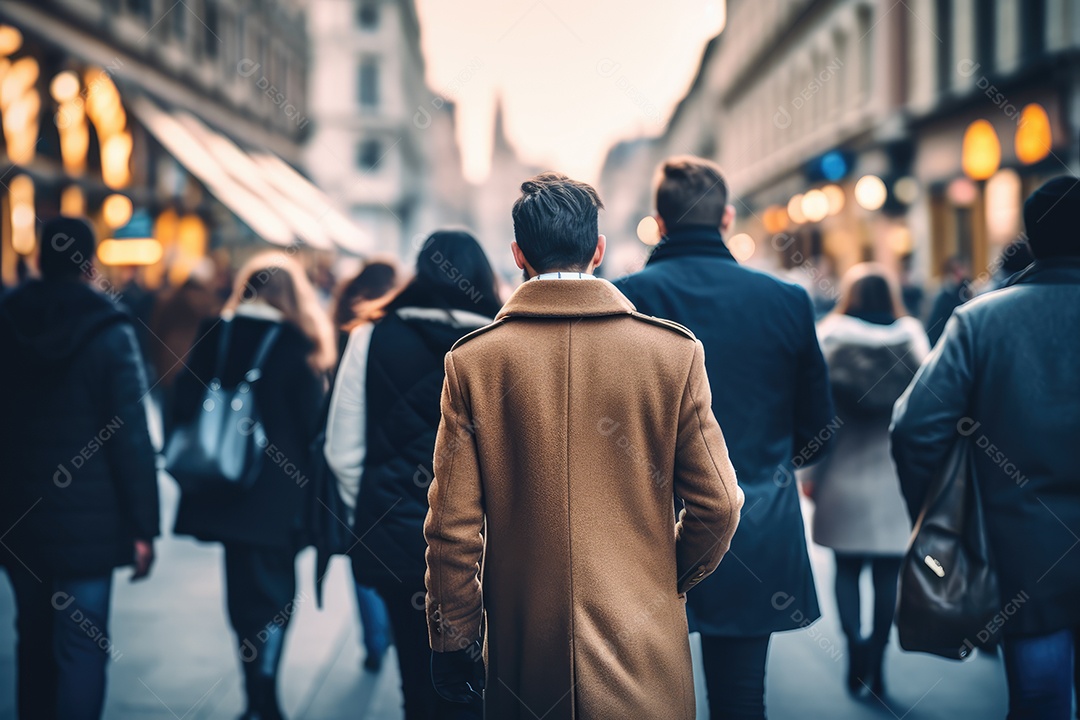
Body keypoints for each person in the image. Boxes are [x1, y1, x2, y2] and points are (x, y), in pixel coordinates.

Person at [424, 173, 743, 719]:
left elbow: (452, 526)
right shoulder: (672, 353)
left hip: (527, 657)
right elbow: (719, 506)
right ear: (598, 250)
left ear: (518, 254)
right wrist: (661, 575)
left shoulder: (475, 361)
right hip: (643, 653)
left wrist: (453, 636)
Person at [613, 156, 834, 720]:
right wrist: (768, 462)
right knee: (740, 698)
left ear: (659, 222)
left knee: (638, 702)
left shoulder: (626, 299)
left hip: (645, 533)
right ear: (727, 218)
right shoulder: (785, 300)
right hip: (753, 525)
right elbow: (819, 428)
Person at [892, 177, 1080, 719]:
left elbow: (914, 429)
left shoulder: (981, 320)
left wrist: (941, 511)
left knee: (1040, 700)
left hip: (1022, 549)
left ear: (1032, 238)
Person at [325, 231, 501, 719]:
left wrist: (373, 514)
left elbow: (341, 450)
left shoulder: (371, 335)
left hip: (396, 540)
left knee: (415, 679)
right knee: (478, 683)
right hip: (484, 546)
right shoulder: (500, 342)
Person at [0, 217, 159, 720]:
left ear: (39, 259)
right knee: (82, 644)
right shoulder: (110, 329)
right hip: (91, 520)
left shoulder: (8, 319)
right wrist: (143, 526)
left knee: (31, 638)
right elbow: (131, 437)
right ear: (90, 264)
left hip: (19, 513)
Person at [170, 252, 333, 720]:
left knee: (241, 596)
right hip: (279, 496)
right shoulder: (296, 342)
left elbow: (181, 401)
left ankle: (252, 695)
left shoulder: (216, 332)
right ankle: (267, 696)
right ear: (293, 295)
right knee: (276, 596)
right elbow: (313, 425)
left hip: (225, 490)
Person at [803, 263, 929, 697]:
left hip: (841, 472)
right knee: (888, 573)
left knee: (846, 568)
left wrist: (809, 472)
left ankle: (853, 645)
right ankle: (877, 653)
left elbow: (816, 414)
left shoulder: (829, 338)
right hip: (895, 477)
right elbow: (927, 413)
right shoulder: (913, 340)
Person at [327, 260, 399, 673]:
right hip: (391, 461)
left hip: (364, 462)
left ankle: (374, 639)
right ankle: (386, 634)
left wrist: (355, 496)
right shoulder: (388, 330)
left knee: (366, 557)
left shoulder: (345, 323)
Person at [924, 255, 971, 346]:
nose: (959, 274)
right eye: (954, 271)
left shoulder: (967, 289)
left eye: (960, 269)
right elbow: (934, 328)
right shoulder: (942, 297)